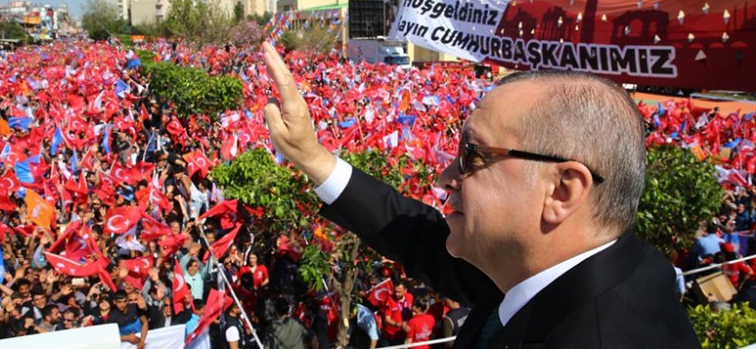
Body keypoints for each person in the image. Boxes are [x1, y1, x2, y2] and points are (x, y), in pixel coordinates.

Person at [261, 42, 699, 348]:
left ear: (563, 190)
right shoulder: (558, 265)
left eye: (471, 154)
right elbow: (421, 240)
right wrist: (313, 157)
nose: (445, 176)